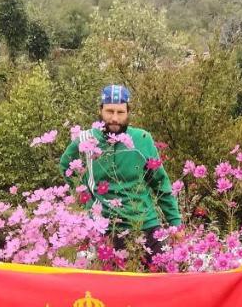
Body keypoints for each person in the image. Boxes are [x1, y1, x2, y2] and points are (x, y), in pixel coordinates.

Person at [58, 84, 180, 258]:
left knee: (159, 280)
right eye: (109, 111)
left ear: (128, 112)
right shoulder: (86, 140)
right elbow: (65, 165)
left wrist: (175, 223)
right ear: (100, 110)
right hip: (105, 229)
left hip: (145, 225)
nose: (114, 118)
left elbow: (160, 182)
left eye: (120, 112)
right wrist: (86, 196)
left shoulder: (142, 139)